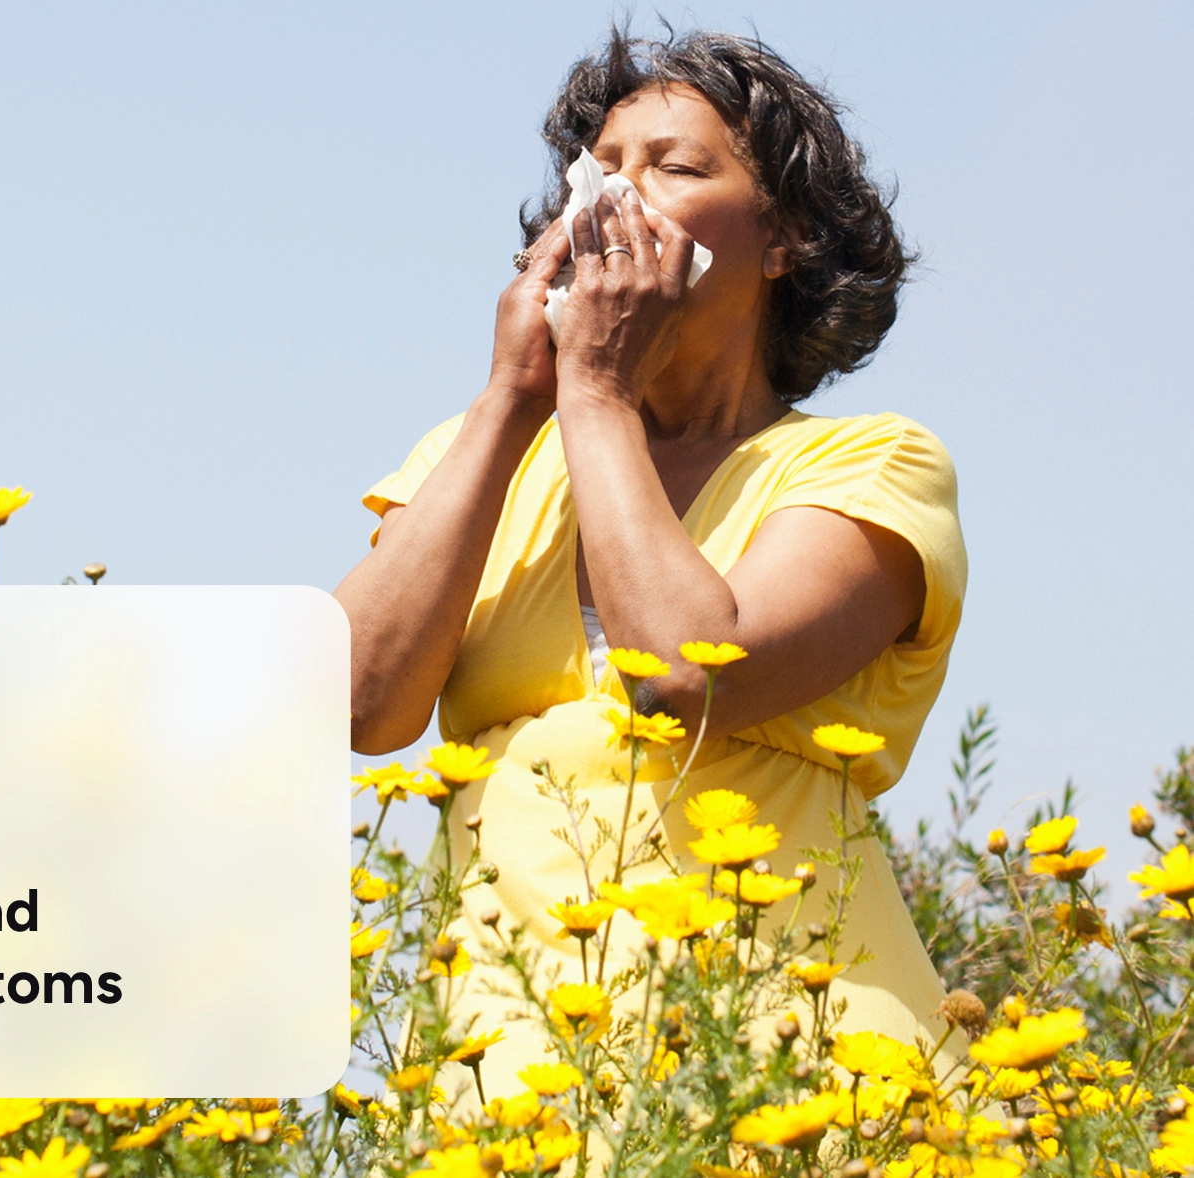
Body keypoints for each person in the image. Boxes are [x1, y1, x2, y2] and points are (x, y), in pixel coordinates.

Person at [334, 27, 967, 1099]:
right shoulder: (476, 455)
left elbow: (688, 672)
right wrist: (511, 400)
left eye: (674, 166)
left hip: (788, 1075)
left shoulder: (870, 462)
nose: (616, 196)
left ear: (784, 241)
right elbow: (356, 702)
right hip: (513, 1080)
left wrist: (597, 392)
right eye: (602, 165)